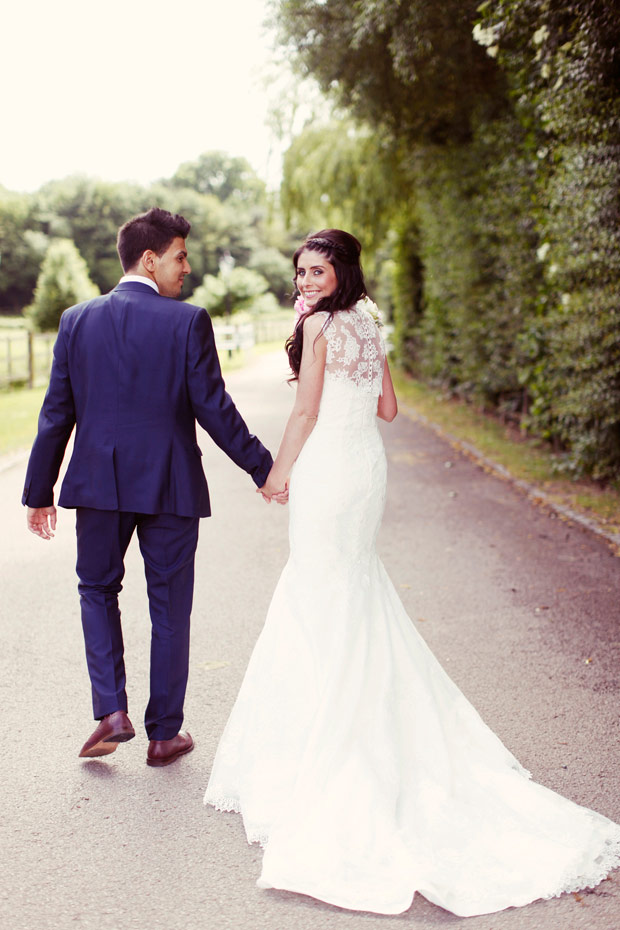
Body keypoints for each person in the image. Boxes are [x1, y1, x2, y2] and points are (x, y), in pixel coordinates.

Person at [204, 228, 620, 915]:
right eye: (301, 272)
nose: (306, 282)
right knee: (350, 592)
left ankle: (328, 746)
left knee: (321, 593)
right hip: (365, 469)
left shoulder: (320, 331)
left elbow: (306, 411)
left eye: (317, 271)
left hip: (330, 475)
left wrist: (276, 476)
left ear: (341, 271)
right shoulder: (368, 321)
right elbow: (390, 409)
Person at [23, 207, 277, 767]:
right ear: (150, 258)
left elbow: (55, 414)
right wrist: (263, 467)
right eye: (180, 256)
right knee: (169, 608)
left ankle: (111, 711)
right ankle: (164, 735)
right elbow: (214, 409)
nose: (187, 268)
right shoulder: (186, 321)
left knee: (96, 590)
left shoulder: (76, 320)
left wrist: (39, 491)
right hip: (170, 486)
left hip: (97, 486)